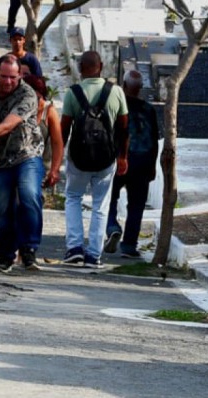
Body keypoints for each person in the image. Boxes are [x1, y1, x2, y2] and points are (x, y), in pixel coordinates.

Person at [60, 51, 129, 268]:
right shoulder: (116, 92)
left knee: (73, 197)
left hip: (78, 158)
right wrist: (123, 157)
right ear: (101, 66)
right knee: (101, 205)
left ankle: (74, 248)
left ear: (80, 67)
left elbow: (63, 130)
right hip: (106, 158)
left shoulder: (73, 93)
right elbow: (124, 128)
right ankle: (93, 255)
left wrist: (58, 158)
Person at [0, 55, 47, 272]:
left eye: (12, 77)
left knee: (29, 194)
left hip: (25, 153)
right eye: (4, 76)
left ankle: (29, 248)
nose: (8, 81)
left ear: (19, 75)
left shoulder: (27, 94)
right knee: (2, 205)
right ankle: (5, 254)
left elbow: (8, 125)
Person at [104, 70, 160, 260]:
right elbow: (154, 140)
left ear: (124, 85)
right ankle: (128, 246)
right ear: (140, 88)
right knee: (136, 206)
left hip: (117, 159)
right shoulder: (149, 109)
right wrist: (152, 166)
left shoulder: (115, 106)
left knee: (109, 199)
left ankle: (112, 227)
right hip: (143, 161)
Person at [23, 73, 64, 189]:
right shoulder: (18, 108)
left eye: (37, 98)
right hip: (17, 168)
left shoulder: (49, 111)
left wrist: (55, 170)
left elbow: (57, 143)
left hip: (40, 170)